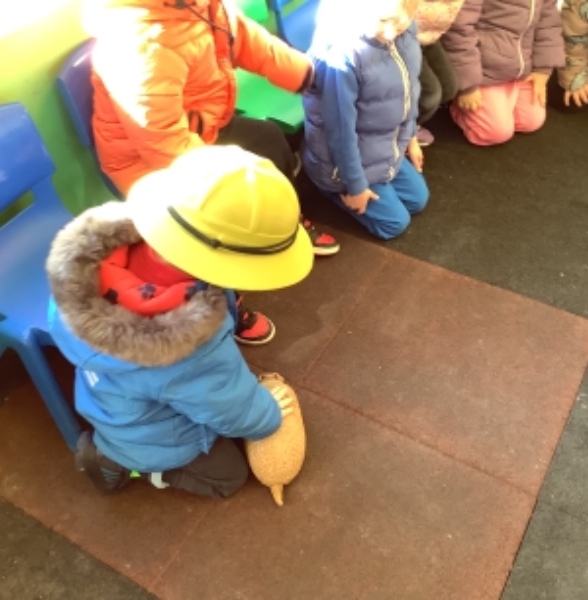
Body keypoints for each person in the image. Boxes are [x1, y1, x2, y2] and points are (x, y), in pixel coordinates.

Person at [45, 145, 313, 498]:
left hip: (107, 398)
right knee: (228, 477)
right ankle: (123, 465)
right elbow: (226, 404)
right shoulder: (188, 349)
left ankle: (114, 446)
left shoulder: (96, 259)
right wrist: (267, 416)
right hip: (151, 439)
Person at [83, 0, 339, 344]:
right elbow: (161, 141)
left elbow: (249, 41)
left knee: (268, 139)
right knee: (210, 220)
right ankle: (226, 301)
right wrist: (222, 185)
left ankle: (283, 222)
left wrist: (308, 75)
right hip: (147, 163)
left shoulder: (201, 6)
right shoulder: (138, 45)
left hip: (203, 130)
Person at [302, 0, 430, 240]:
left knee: (418, 199)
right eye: (383, 20)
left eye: (400, 22)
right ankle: (332, 189)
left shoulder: (405, 29)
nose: (391, 32)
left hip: (381, 145)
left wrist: (411, 136)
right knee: (395, 223)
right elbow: (340, 131)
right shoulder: (343, 56)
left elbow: (409, 89)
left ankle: (375, 176)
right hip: (341, 162)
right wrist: (355, 187)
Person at [440, 0, 565, 146]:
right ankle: (456, 105)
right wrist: (467, 86)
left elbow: (549, 23)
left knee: (531, 121)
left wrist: (543, 69)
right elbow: (459, 29)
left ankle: (500, 105)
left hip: (521, 68)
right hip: (483, 71)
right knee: (494, 133)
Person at [416, 0, 465, 146]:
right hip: (402, 37)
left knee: (449, 87)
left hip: (429, 36)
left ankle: (413, 122)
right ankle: (403, 131)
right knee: (430, 94)